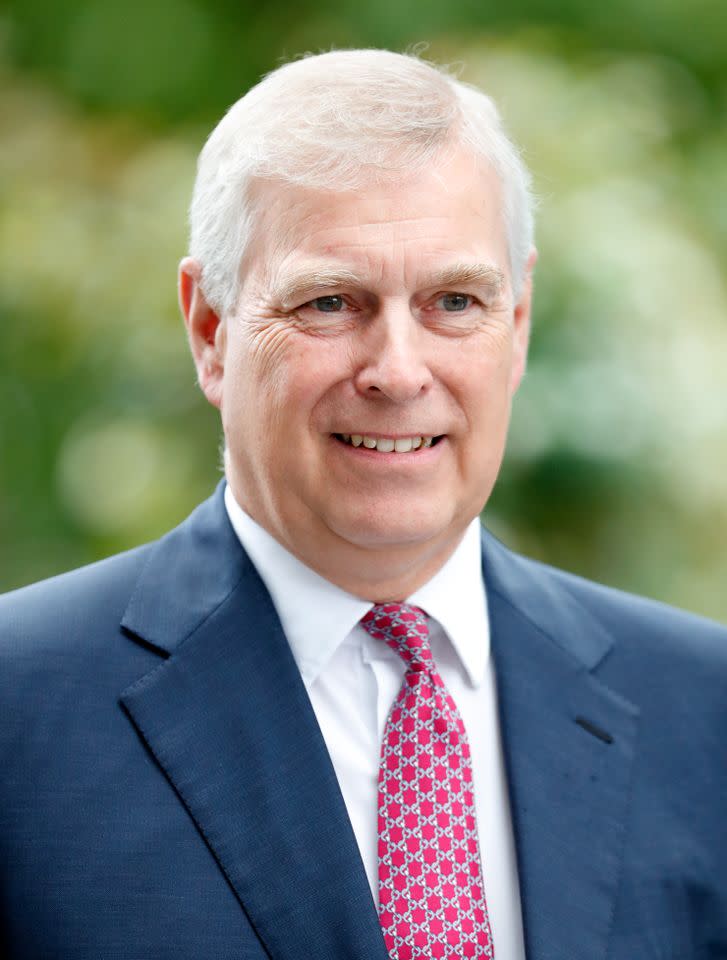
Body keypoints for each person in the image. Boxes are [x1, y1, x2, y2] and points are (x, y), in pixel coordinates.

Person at [1, 49, 726, 960]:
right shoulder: (18, 712)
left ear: (516, 326)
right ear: (211, 330)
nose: (397, 372)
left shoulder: (703, 711)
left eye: (453, 300)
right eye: (330, 303)